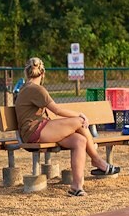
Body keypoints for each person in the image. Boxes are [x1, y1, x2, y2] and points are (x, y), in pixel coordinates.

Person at [13, 57, 120, 197]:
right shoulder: (36, 89)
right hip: (35, 131)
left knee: (79, 141)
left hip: (41, 129)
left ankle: (77, 186)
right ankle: (96, 160)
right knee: (80, 122)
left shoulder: (27, 87)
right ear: (43, 73)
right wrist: (80, 115)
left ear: (26, 73)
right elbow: (56, 110)